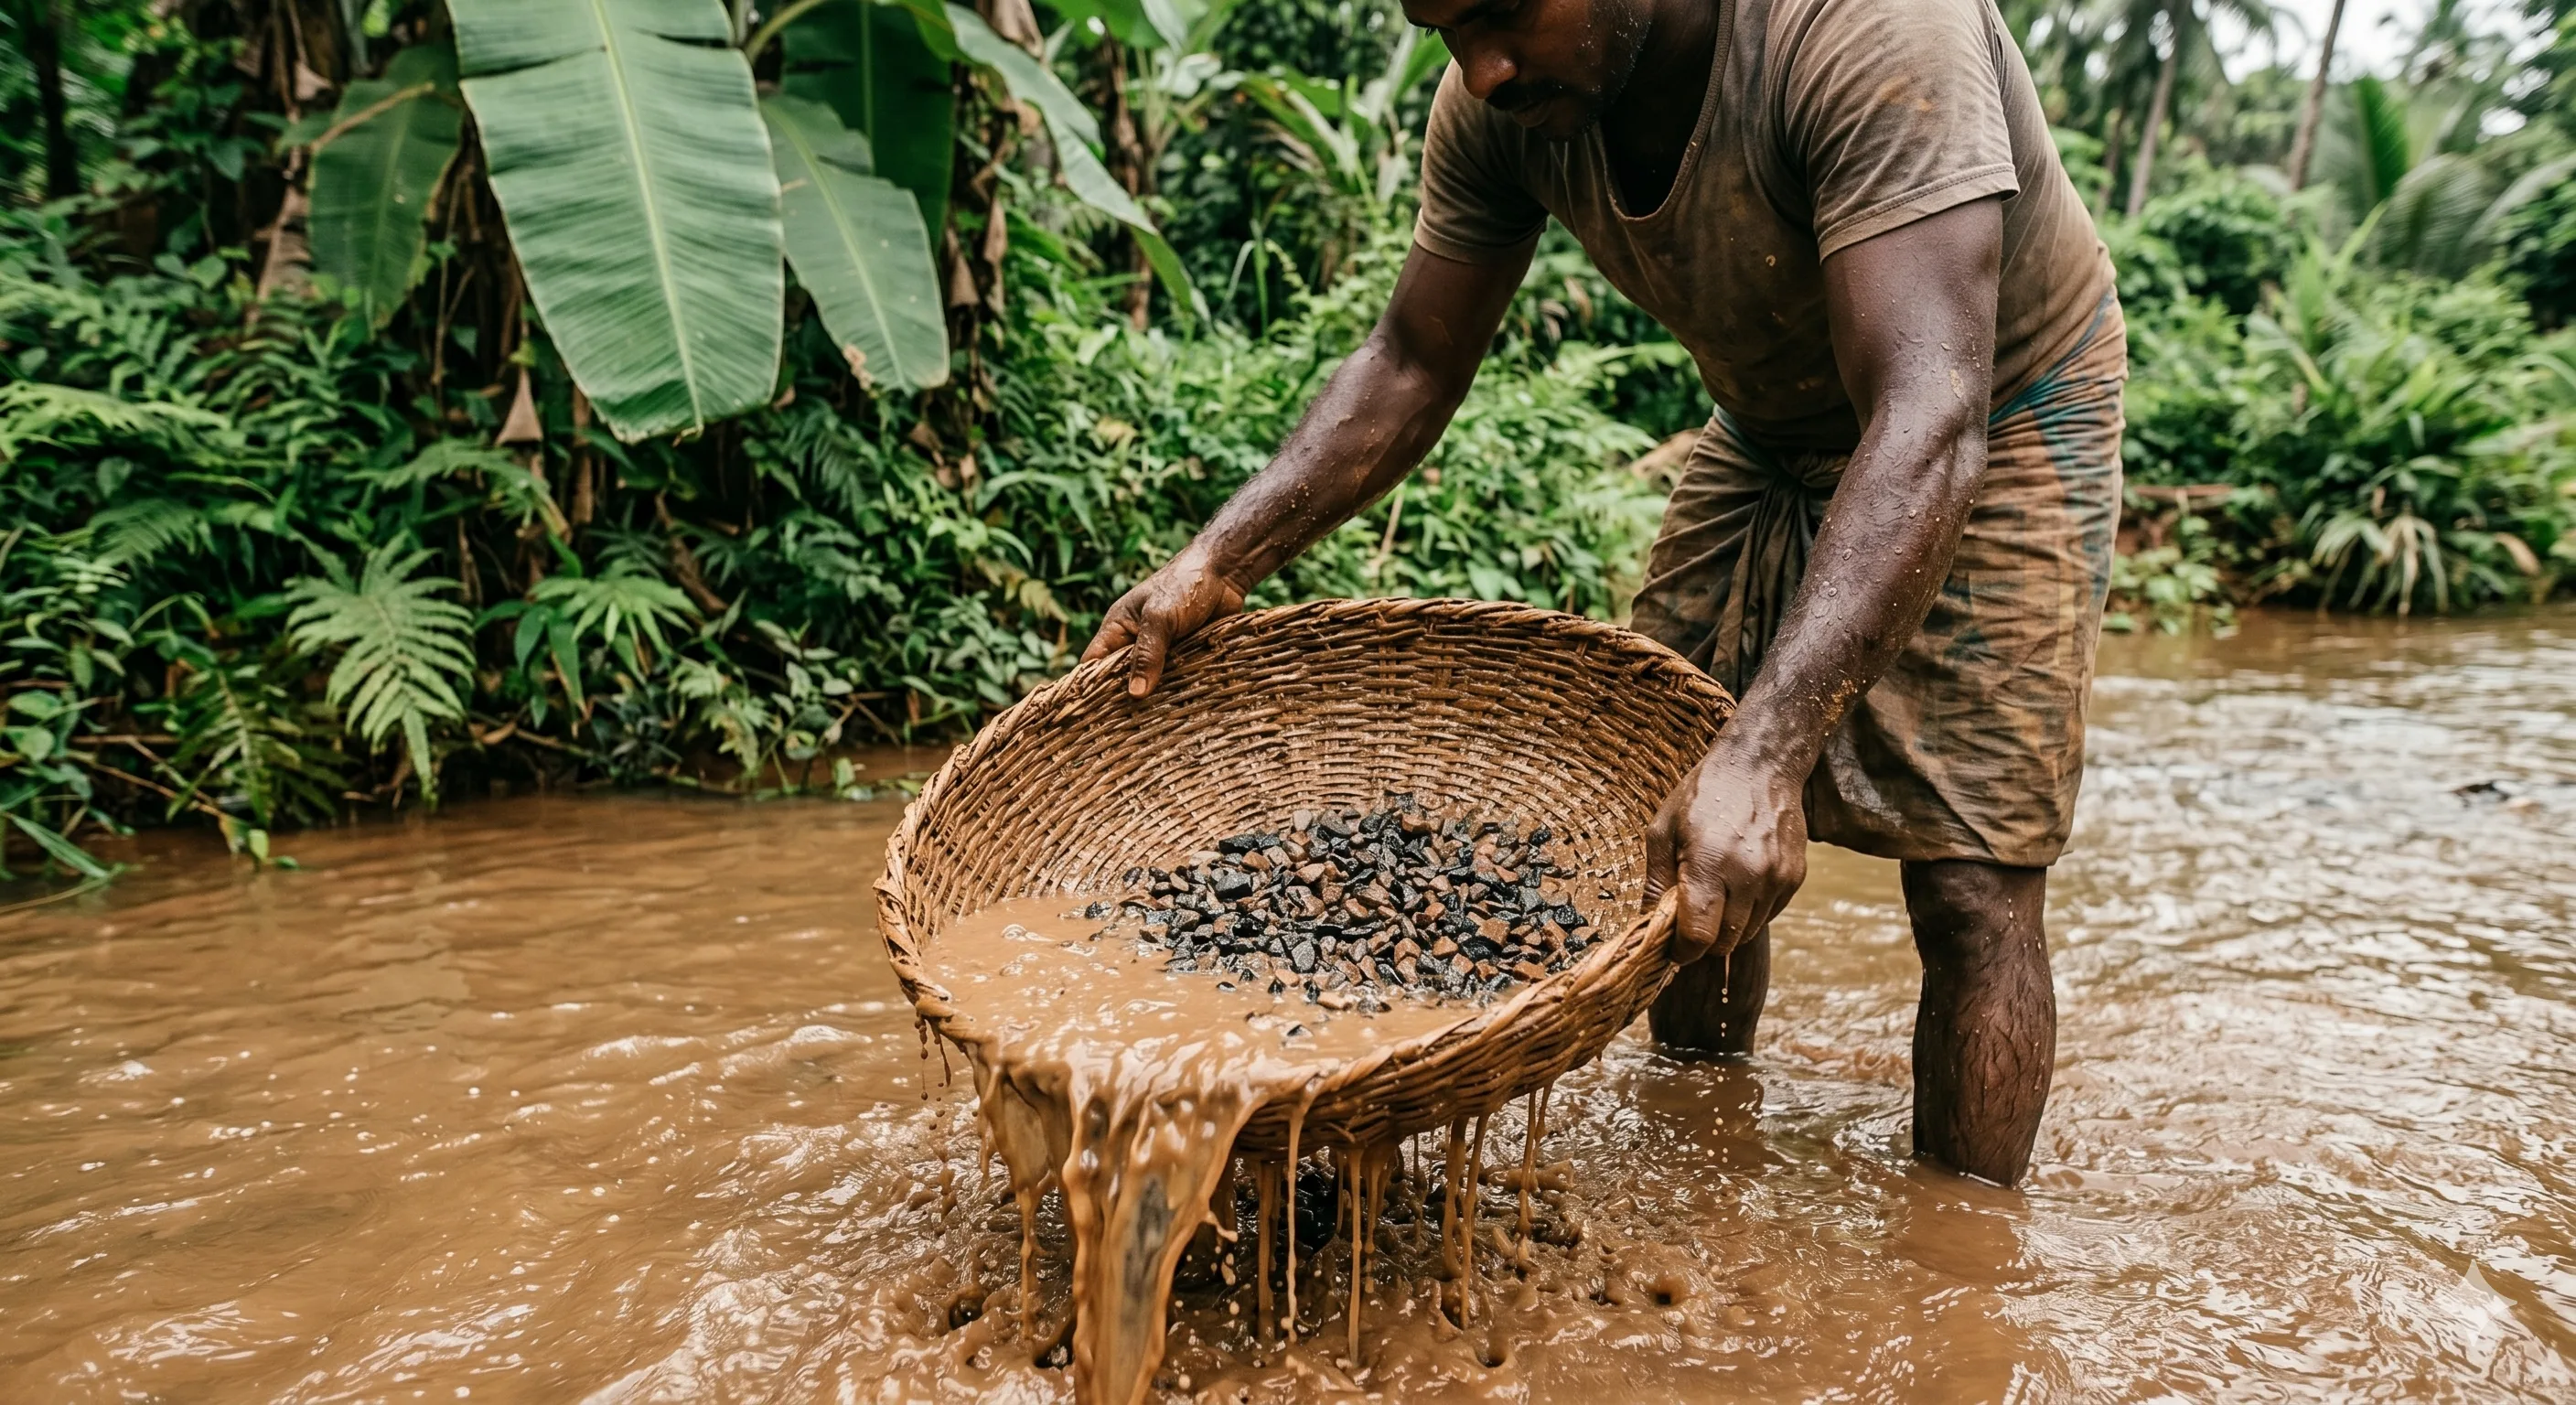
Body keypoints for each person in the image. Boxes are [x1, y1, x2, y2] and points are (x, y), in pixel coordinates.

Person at [1079, 0, 2123, 1187]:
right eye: (1442, 29)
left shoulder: (1868, 30)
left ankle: (1964, 1273)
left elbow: (1931, 411)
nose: (1480, 68)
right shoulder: (1504, 104)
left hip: (1992, 405)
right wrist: (1214, 563)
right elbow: (1414, 358)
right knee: (1677, 822)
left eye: (1500, 14)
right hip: (1770, 422)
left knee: (1971, 886)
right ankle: (1700, 1150)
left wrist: (1772, 750)